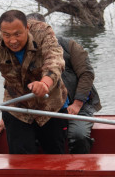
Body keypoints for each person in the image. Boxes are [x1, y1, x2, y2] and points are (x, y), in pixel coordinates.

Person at [0, 10, 69, 154]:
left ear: (27, 28)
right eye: (7, 35)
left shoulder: (43, 32)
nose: (12, 40)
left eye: (17, 34)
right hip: (17, 108)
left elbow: (55, 60)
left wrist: (45, 83)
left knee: (54, 156)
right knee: (20, 158)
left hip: (50, 107)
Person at [26, 13, 102, 153]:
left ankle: (81, 169)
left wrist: (77, 104)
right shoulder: (23, 52)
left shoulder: (69, 46)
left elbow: (87, 73)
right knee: (29, 137)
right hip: (44, 109)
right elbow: (14, 85)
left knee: (79, 136)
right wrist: (6, 118)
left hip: (76, 106)